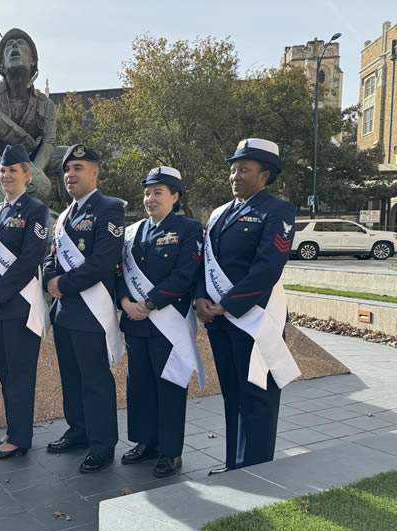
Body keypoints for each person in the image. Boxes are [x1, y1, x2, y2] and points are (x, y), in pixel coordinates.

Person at [194, 138, 300, 474]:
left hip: (253, 318)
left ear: (264, 175)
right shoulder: (220, 213)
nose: (235, 176)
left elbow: (267, 267)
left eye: (244, 169)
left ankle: (256, 470)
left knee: (257, 395)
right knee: (233, 394)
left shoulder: (277, 210)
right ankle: (235, 466)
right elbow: (205, 262)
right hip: (220, 321)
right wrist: (200, 297)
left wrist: (226, 304)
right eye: (233, 169)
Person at [116, 166, 205, 478]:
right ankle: (146, 442)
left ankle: (170, 451)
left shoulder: (188, 228)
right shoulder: (133, 231)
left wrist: (151, 302)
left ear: (175, 196)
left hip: (167, 323)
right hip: (136, 323)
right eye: (147, 193)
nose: (150, 199)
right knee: (139, 386)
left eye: (157, 192)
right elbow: (120, 272)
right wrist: (125, 301)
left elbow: (185, 273)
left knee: (169, 387)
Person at [42, 145, 125, 474]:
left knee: (95, 381)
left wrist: (62, 284)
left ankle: (102, 445)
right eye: (67, 169)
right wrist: (50, 279)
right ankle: (78, 431)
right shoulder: (64, 216)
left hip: (91, 312)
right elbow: (51, 257)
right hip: (64, 313)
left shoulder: (110, 209)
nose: (70, 175)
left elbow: (103, 262)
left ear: (95, 172)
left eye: (78, 168)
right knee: (71, 378)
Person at [0, 144, 49, 459]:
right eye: (3, 170)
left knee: (20, 376)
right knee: (6, 376)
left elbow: (31, 258)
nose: (6, 175)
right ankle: (12, 430)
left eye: (13, 170)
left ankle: (19, 438)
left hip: (19, 307)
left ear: (27, 174)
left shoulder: (36, 211)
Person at [0, 28, 56, 173]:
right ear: (2, 63)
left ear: (32, 60)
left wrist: (33, 175)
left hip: (29, 168)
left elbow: (48, 143)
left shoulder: (46, 105)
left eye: (21, 43)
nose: (14, 46)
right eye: (9, 45)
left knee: (66, 156)